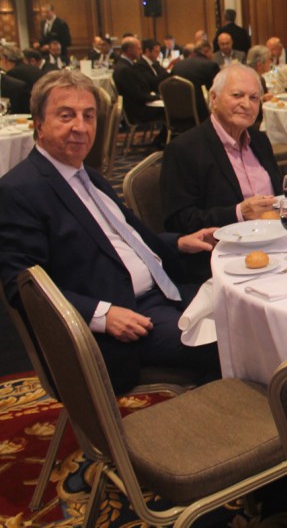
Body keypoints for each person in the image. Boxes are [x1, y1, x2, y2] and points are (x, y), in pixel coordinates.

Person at [0, 70, 221, 395]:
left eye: (88, 116)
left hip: (166, 292)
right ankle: (208, 415)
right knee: (227, 340)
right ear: (39, 124)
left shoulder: (88, 176)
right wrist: (102, 315)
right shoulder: (20, 190)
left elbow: (126, 240)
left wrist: (179, 242)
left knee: (248, 312)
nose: (81, 127)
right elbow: (23, 287)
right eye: (66, 115)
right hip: (127, 317)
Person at [161, 65, 281, 278]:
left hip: (276, 247)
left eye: (254, 98)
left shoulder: (260, 141)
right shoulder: (185, 149)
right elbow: (179, 220)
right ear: (214, 98)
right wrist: (238, 213)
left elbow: (277, 195)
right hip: (222, 258)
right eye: (237, 95)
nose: (246, 104)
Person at [113, 37, 163, 128]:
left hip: (136, 106)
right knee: (168, 109)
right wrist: (158, 97)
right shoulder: (125, 69)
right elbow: (138, 95)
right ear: (129, 50)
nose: (141, 52)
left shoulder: (125, 65)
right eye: (139, 49)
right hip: (136, 111)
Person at [171, 40, 220, 122]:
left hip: (175, 111)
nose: (212, 55)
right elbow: (217, 91)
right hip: (200, 114)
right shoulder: (210, 66)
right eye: (212, 52)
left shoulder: (177, 65)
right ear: (206, 50)